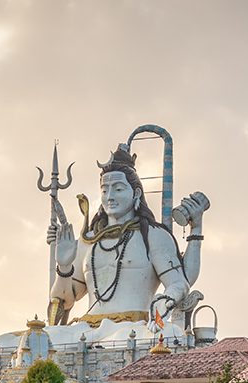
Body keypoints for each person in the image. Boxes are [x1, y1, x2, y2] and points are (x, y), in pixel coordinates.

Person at [45, 143, 209, 344]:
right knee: (23, 339)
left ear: (136, 193)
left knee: (169, 335)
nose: (110, 197)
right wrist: (64, 266)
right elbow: (66, 299)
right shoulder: (89, 240)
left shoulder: (154, 236)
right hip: (87, 329)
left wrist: (164, 301)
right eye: (104, 190)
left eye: (118, 189)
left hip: (133, 328)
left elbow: (178, 283)